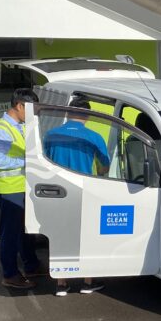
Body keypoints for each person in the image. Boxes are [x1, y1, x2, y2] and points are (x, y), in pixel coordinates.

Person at [43, 99, 111, 296]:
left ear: (68, 112)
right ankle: (87, 282)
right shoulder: (94, 137)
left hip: (55, 192)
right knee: (86, 236)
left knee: (59, 236)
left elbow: (45, 162)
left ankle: (61, 283)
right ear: (88, 116)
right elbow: (104, 167)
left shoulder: (50, 135)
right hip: (83, 191)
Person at [0, 88, 42, 290]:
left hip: (20, 187)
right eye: (30, 109)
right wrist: (29, 160)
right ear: (19, 106)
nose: (33, 114)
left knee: (25, 230)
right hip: (9, 188)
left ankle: (31, 265)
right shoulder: (1, 129)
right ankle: (10, 274)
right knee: (10, 233)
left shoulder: (18, 126)